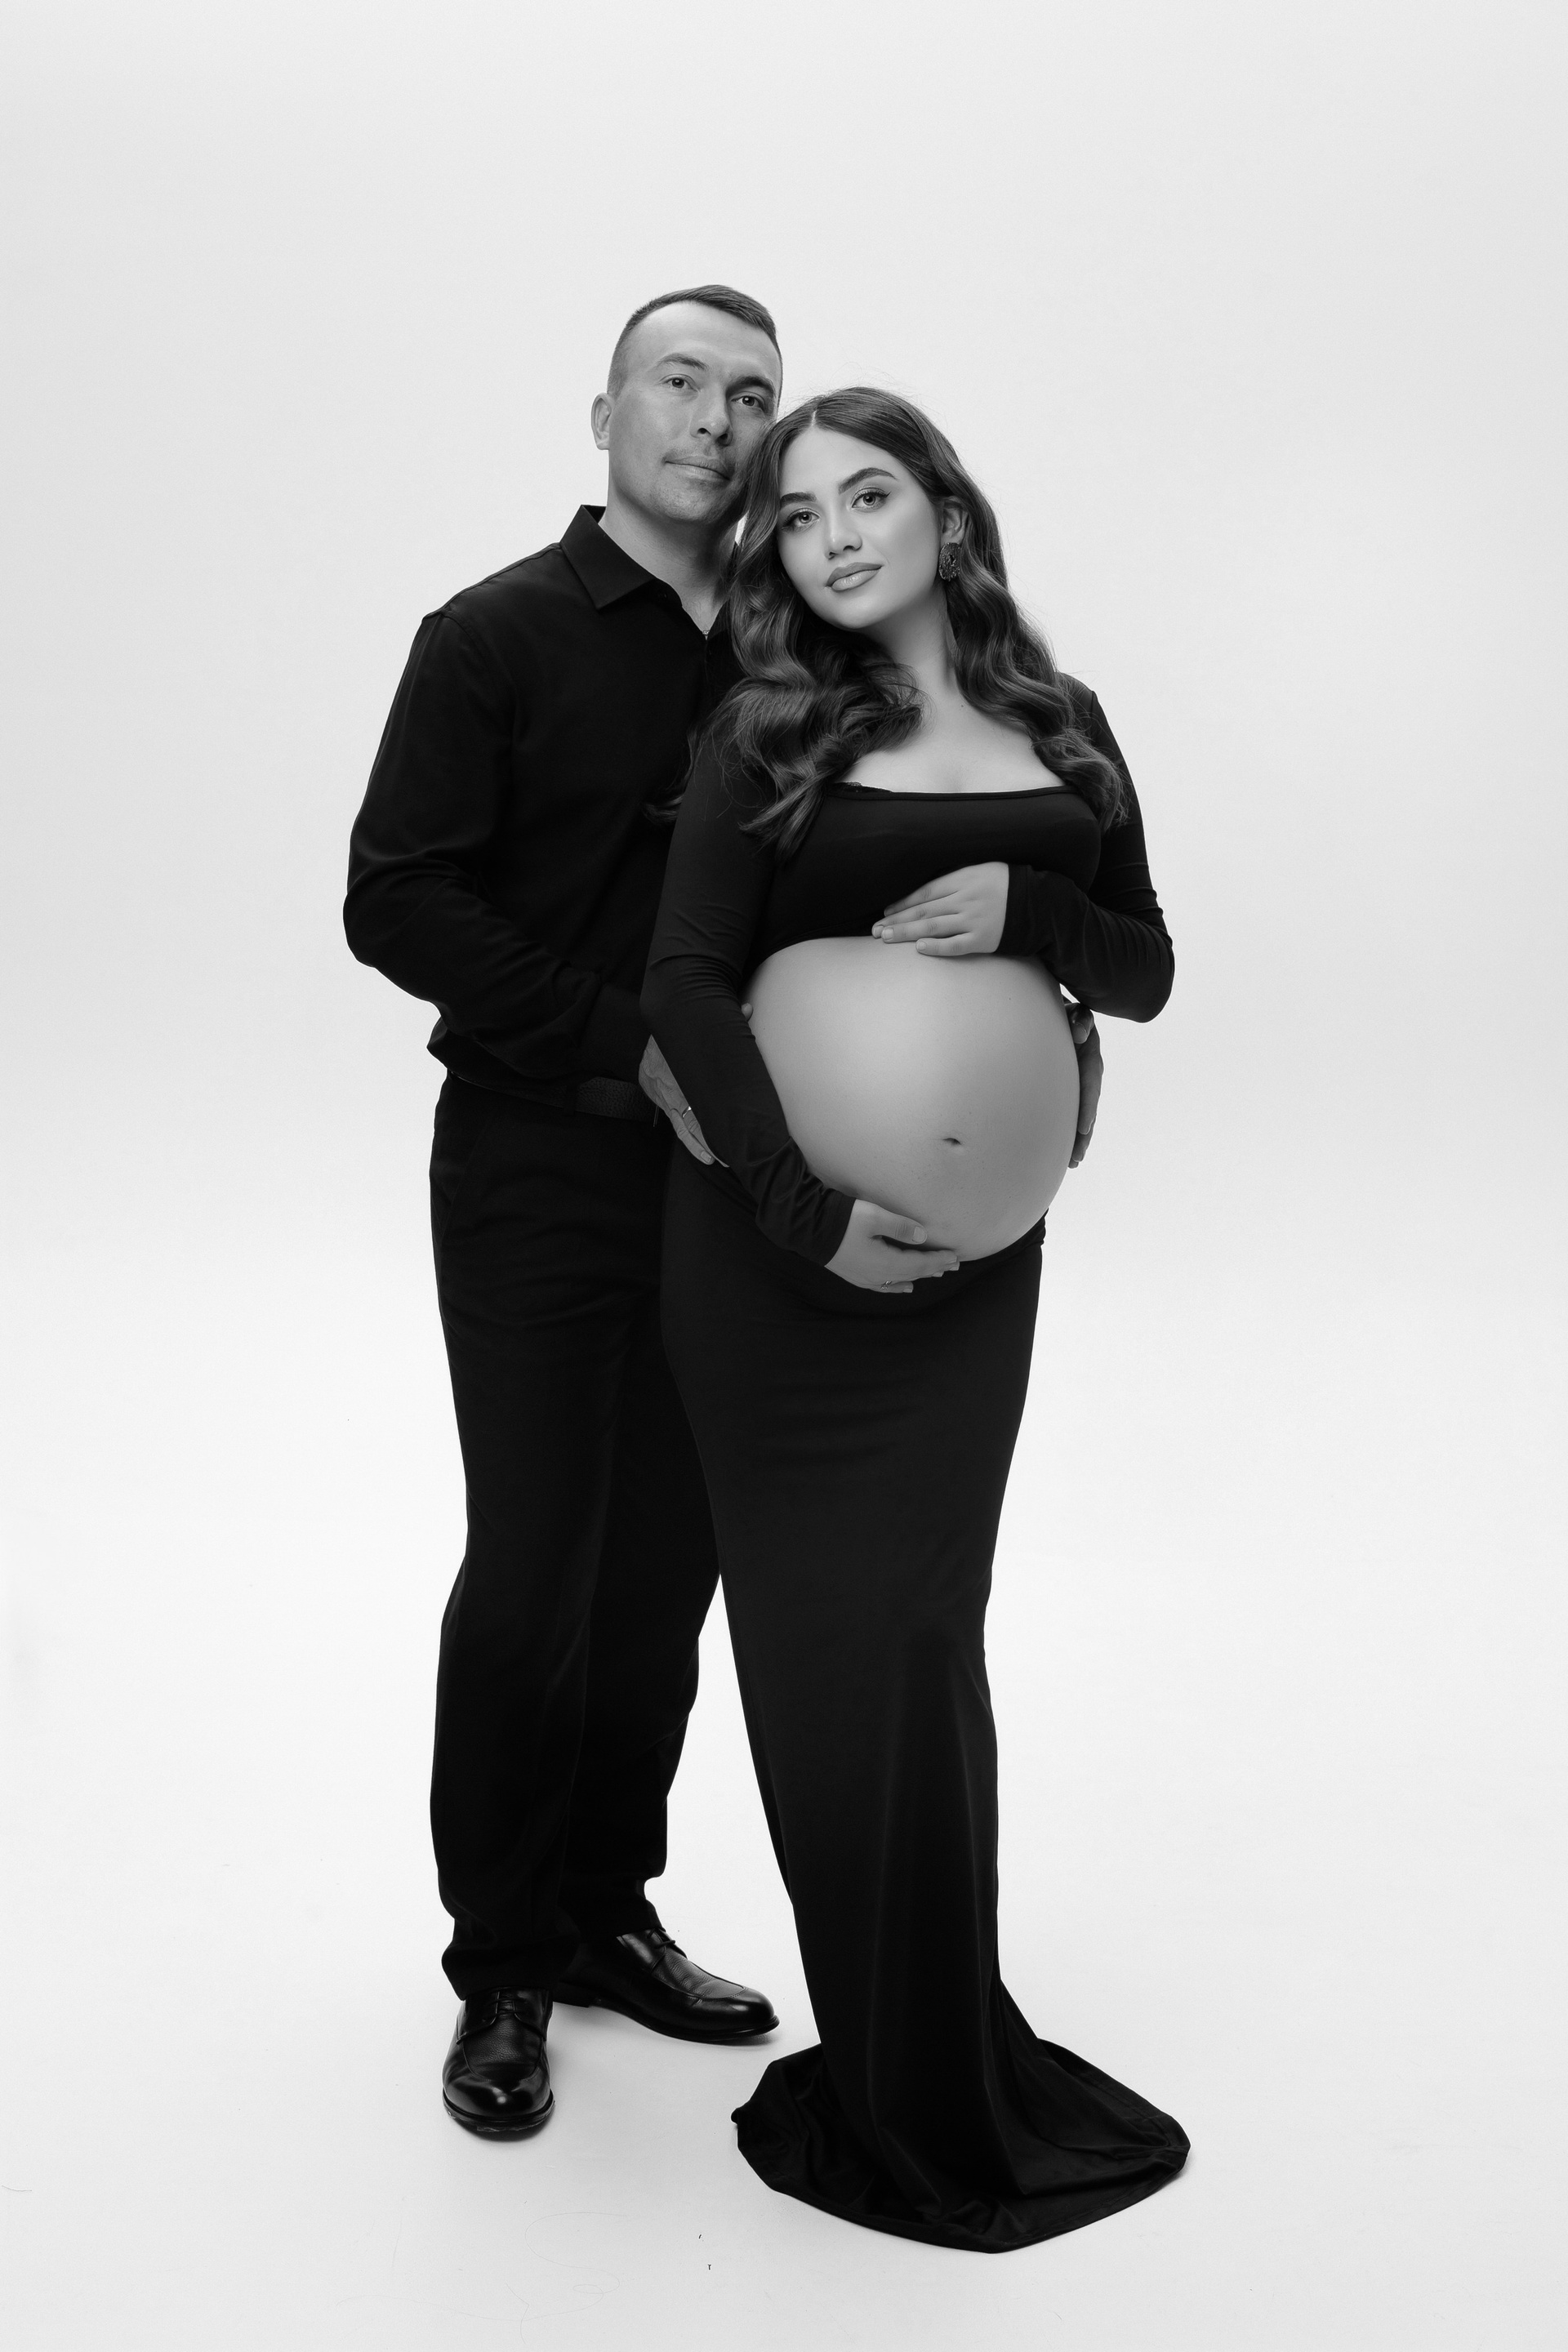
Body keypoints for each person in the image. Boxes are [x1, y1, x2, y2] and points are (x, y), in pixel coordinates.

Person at [642, 387, 1188, 2248]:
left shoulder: (1063, 726)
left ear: (944, 512)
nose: (835, 539)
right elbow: (686, 988)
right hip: (771, 1274)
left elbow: (1146, 965)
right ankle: (890, 2080)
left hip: (967, 1292)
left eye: (867, 496)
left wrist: (1036, 903)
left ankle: (945, 2048)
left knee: (928, 1646)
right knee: (826, 1663)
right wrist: (807, 1219)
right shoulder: (768, 729)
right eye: (797, 519)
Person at [342, 287, 793, 2138]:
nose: (715, 420)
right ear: (603, 412)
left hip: (721, 1183)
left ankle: (607, 1911)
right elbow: (395, 898)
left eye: (751, 395)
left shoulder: (788, 652)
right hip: (537, 1161)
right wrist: (631, 1044)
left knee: (665, 1569)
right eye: (680, 382)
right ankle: (504, 1962)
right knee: (535, 1567)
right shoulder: (494, 634)